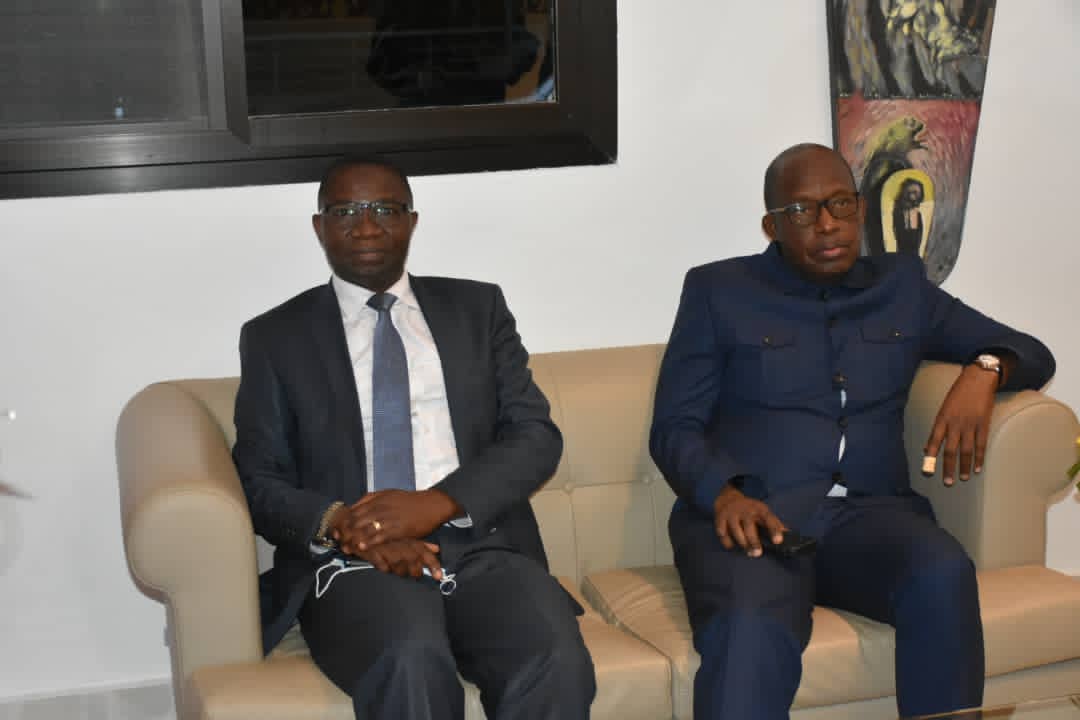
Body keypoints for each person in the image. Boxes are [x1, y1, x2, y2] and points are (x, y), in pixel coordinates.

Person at [649, 143, 1054, 720]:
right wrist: (723, 494)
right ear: (772, 226)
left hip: (870, 519)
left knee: (943, 572)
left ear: (861, 208)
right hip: (757, 518)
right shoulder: (719, 292)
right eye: (803, 211)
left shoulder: (900, 286)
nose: (827, 224)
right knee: (748, 631)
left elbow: (1031, 352)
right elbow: (675, 426)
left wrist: (984, 371)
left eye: (840, 203)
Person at [232, 156, 595, 720]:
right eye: (345, 211)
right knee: (410, 659)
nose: (366, 226)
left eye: (385, 209)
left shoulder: (478, 309)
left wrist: (437, 504)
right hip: (353, 563)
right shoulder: (276, 337)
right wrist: (346, 524)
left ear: (411, 221)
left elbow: (534, 436)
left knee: (554, 658)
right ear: (319, 226)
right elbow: (257, 476)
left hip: (483, 548)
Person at [893, 177, 925, 256]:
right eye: (911, 192)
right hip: (904, 253)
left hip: (911, 253)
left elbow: (915, 240)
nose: (913, 195)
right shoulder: (899, 212)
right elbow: (900, 237)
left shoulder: (915, 214)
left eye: (916, 193)